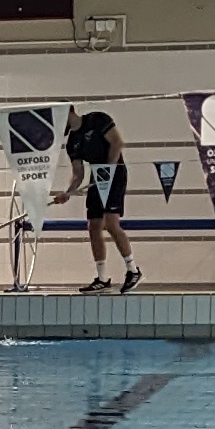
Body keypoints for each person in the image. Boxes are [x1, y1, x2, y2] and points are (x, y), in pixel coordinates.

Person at [66, 110, 138, 293]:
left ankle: (133, 270)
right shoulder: (72, 141)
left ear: (68, 113)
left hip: (114, 173)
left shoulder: (97, 119)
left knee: (111, 223)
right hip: (96, 178)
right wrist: (67, 193)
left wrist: (109, 170)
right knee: (94, 225)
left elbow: (117, 142)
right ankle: (102, 278)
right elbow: (78, 173)